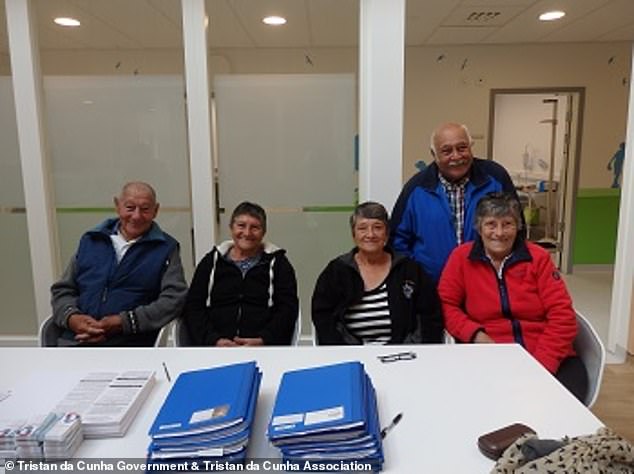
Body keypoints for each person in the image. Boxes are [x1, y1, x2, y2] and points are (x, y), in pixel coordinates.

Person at [438, 192, 587, 401]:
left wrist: (540, 366)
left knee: (562, 409)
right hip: (488, 355)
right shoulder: (461, 258)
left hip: (546, 354)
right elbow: (446, 305)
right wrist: (477, 336)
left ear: (518, 226)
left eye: (507, 224)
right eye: (491, 224)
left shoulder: (538, 258)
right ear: (478, 227)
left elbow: (563, 316)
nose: (499, 233)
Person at [51, 182, 188, 346]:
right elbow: (63, 290)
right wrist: (73, 318)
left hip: (132, 344)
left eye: (145, 209)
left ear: (156, 210)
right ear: (117, 206)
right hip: (76, 340)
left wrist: (123, 322)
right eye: (130, 207)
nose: (136, 216)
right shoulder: (91, 241)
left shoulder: (166, 248)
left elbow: (174, 299)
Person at [390, 122, 521, 282]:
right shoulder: (416, 188)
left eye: (462, 148)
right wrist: (416, 276)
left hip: (488, 285)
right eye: (446, 151)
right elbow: (397, 240)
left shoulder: (495, 177)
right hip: (432, 288)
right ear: (434, 154)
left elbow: (517, 227)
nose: (456, 156)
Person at [312, 202, 443, 345]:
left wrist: (408, 349)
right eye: (362, 228)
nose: (370, 234)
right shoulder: (337, 271)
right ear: (353, 234)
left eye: (378, 228)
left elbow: (430, 317)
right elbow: (323, 316)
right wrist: (346, 349)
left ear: (387, 234)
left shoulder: (410, 270)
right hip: (349, 354)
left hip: (403, 355)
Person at [183, 201, 298, 346]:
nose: (247, 233)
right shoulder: (211, 262)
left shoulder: (279, 264)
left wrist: (263, 339)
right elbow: (193, 307)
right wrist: (214, 340)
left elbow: (287, 309)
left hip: (265, 348)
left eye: (255, 227)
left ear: (264, 232)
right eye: (241, 226)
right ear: (231, 228)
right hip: (214, 347)